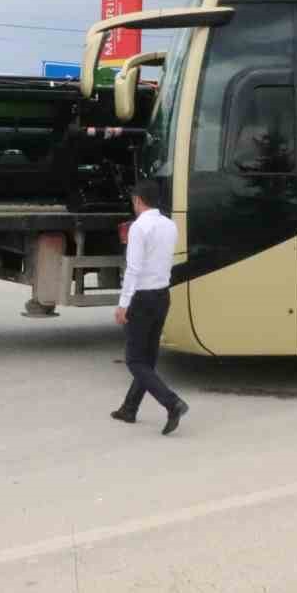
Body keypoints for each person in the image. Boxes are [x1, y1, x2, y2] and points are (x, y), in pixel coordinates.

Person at [111, 178, 188, 435]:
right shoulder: (169, 225)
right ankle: (129, 408)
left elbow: (133, 268)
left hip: (141, 298)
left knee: (134, 360)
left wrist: (123, 304)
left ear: (138, 200)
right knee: (149, 359)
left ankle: (172, 403)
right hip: (162, 295)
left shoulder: (139, 228)